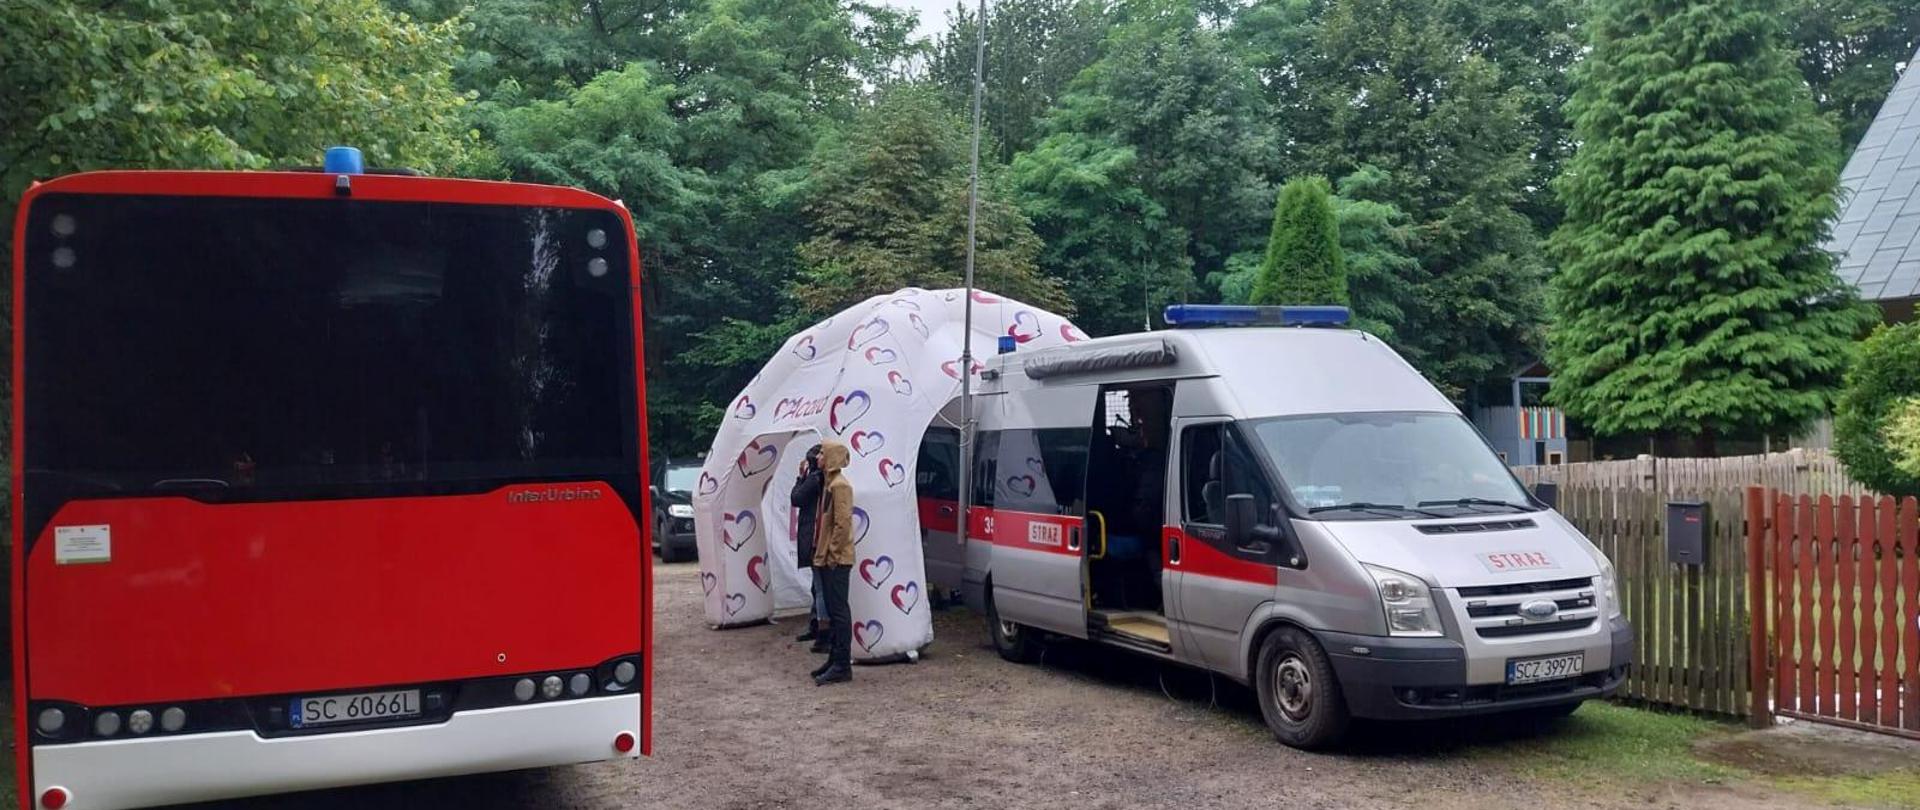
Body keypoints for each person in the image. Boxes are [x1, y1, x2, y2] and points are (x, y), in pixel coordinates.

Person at [810, 440, 856, 685]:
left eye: (821, 453)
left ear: (831, 458)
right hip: (828, 558)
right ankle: (834, 658)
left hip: (836, 560)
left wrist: (833, 555)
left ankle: (842, 664)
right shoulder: (830, 484)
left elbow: (843, 523)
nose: (818, 457)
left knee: (839, 611)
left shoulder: (840, 486)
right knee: (832, 607)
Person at [791, 445, 828, 651]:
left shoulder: (815, 479)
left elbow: (796, 498)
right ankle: (817, 625)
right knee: (817, 586)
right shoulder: (819, 479)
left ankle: (823, 632)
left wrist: (800, 477)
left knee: (820, 587)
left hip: (814, 536)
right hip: (814, 534)